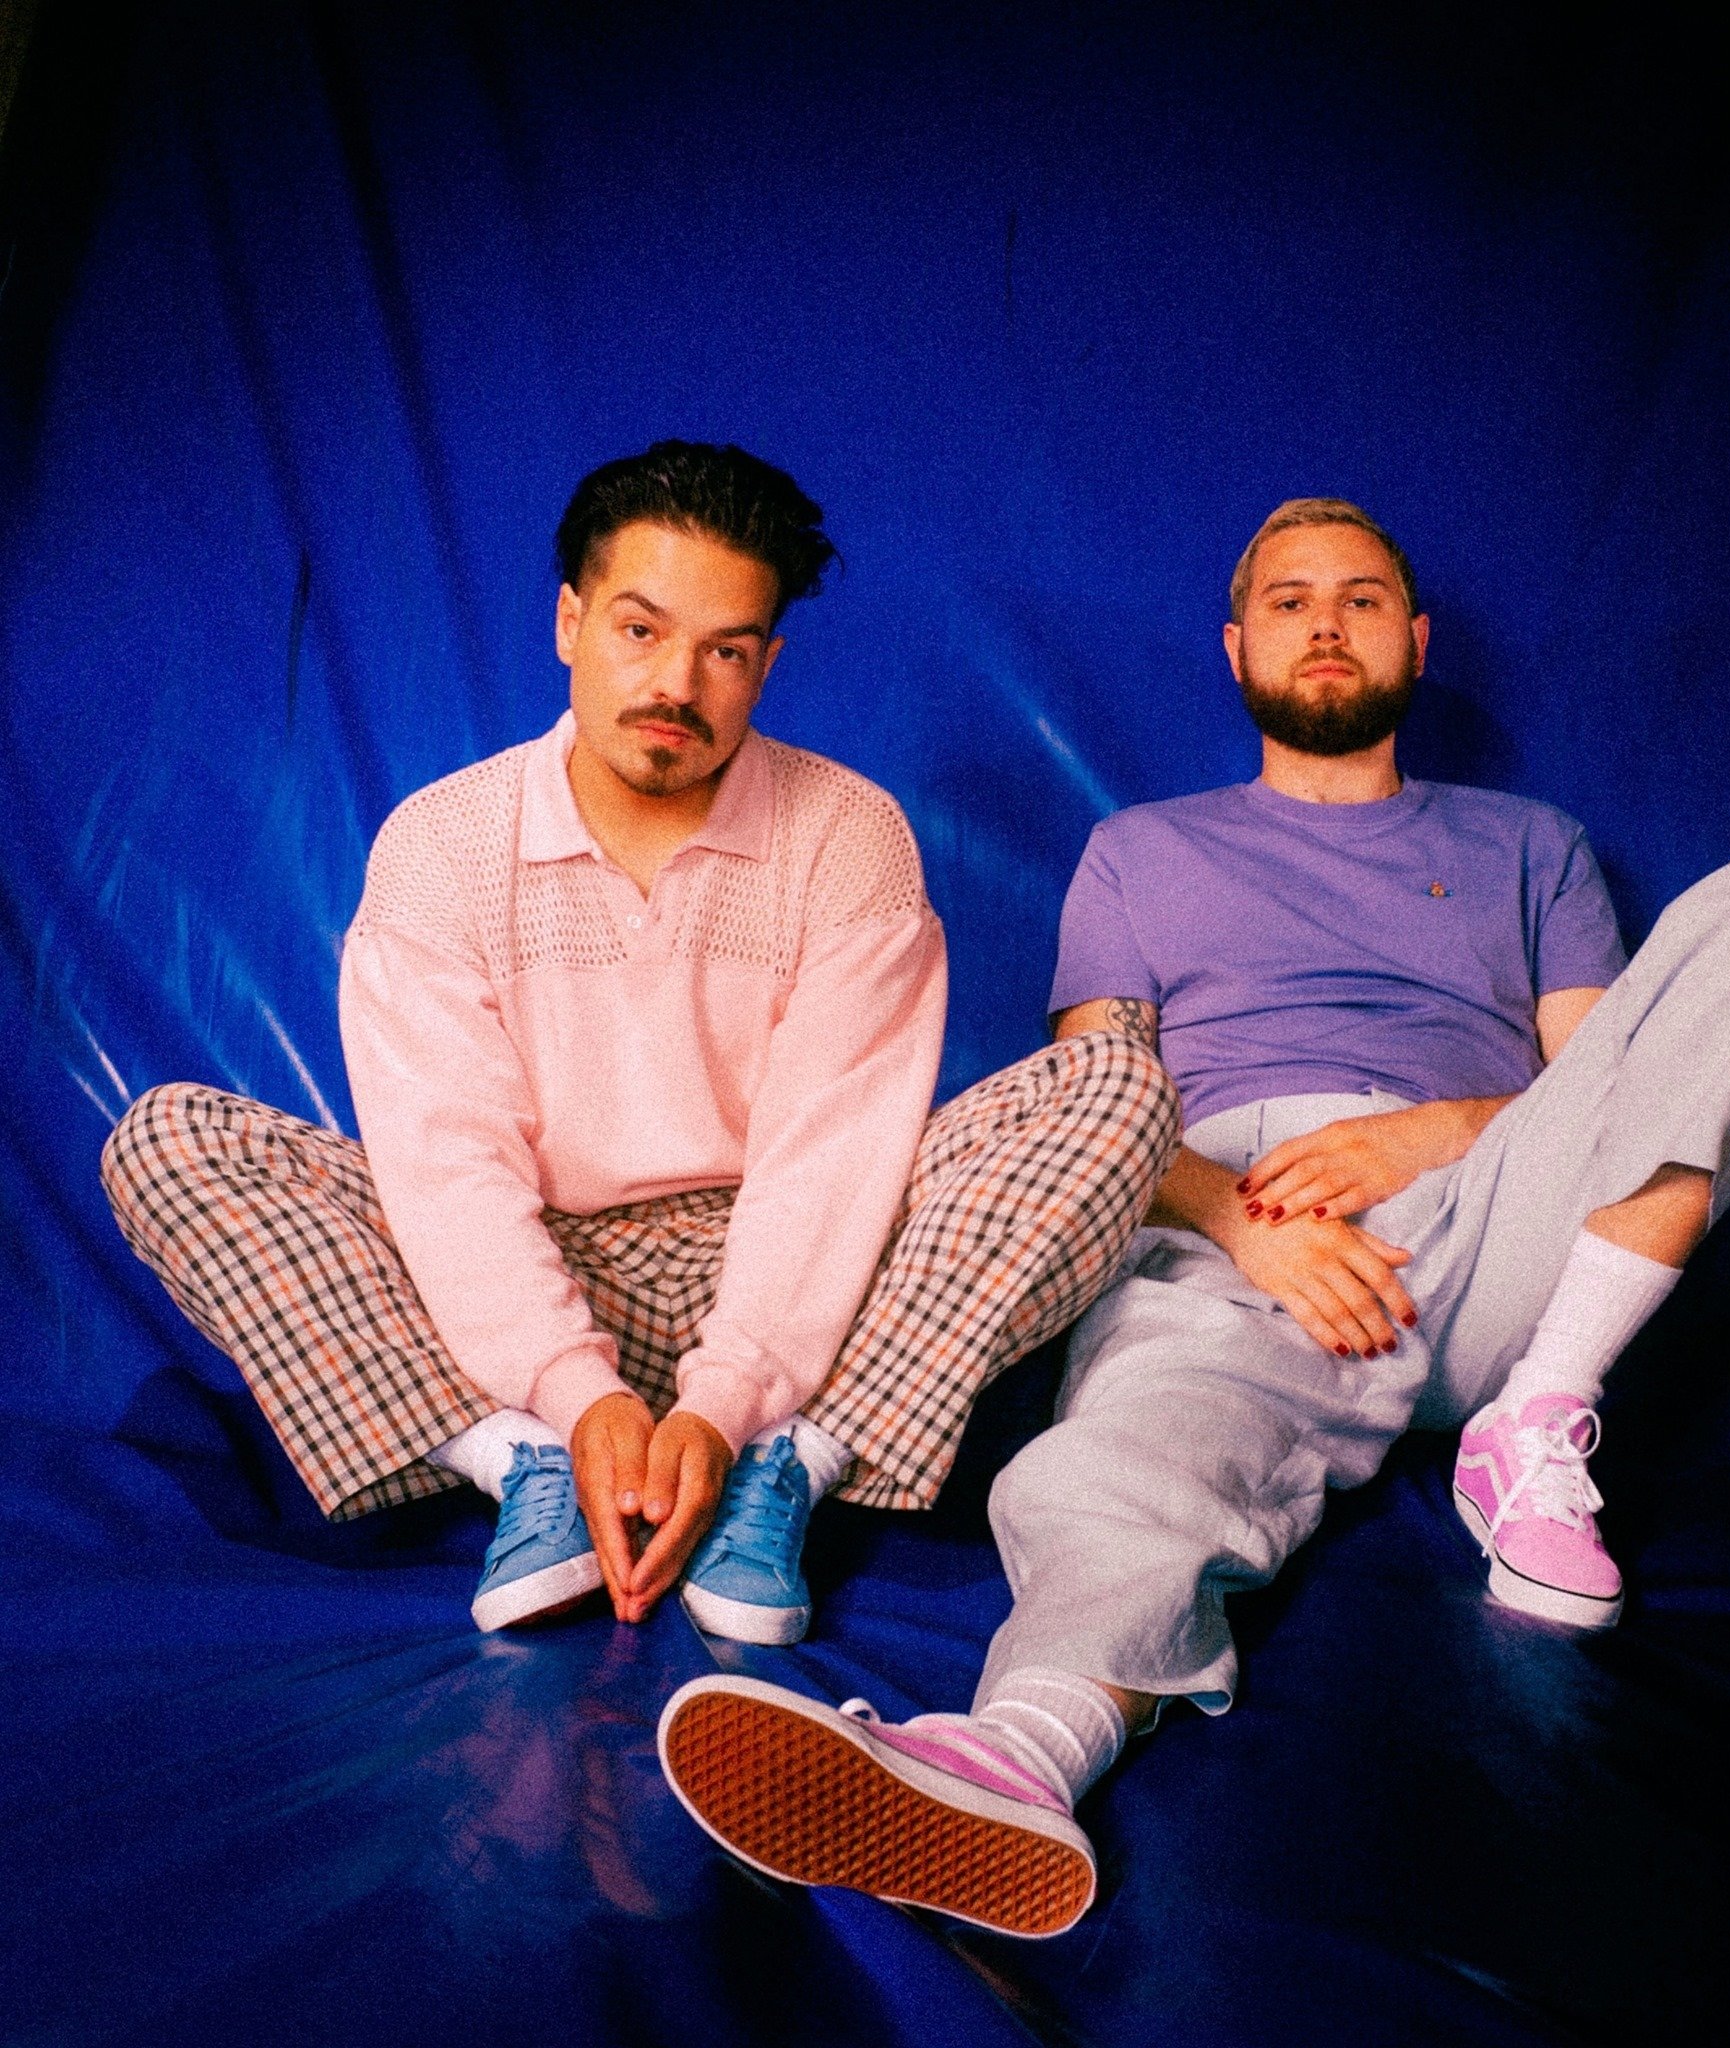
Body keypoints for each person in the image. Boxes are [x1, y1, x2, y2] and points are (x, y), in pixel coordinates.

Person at [657, 496, 1730, 1938]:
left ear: (1414, 641)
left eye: (1361, 597)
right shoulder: (1142, 853)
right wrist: (1243, 1219)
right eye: (1290, 599)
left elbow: (1617, 1081)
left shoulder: (1532, 845)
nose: (1328, 621)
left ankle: (1538, 1414)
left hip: (1501, 1214)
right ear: (1238, 650)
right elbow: (1093, 1102)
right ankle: (1020, 1754)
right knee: (1131, 1445)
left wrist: (1426, 1131)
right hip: (1240, 1227)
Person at [101, 441, 1177, 1642]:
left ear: (767, 663)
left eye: (725, 651)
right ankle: (523, 1464)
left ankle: (787, 1465)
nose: (678, 682)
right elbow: (450, 1163)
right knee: (171, 1136)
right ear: (569, 621)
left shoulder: (847, 832)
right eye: (640, 630)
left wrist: (726, 1406)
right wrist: (573, 1395)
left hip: (789, 1268)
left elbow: (827, 1156)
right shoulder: (442, 842)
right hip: (536, 1260)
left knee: (1112, 1082)